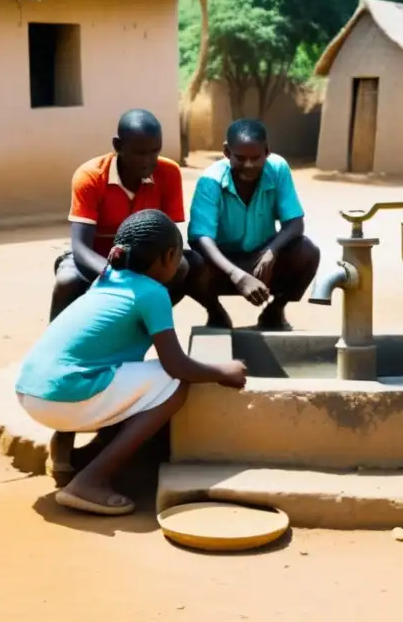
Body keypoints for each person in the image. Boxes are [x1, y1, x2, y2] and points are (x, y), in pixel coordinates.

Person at [16, 210, 248, 516]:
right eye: (179, 256)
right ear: (169, 256)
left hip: (30, 392)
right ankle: (91, 481)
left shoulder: (105, 280)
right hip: (64, 398)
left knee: (111, 369)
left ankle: (65, 455)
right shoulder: (153, 293)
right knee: (172, 383)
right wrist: (223, 371)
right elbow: (177, 366)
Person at [50, 109, 198, 321]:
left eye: (155, 151)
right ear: (118, 146)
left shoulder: (168, 173)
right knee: (67, 281)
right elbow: (81, 248)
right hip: (96, 258)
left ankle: (141, 325)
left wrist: (146, 272)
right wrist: (118, 277)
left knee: (187, 265)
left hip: (143, 259)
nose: (148, 160)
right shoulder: (91, 176)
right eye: (139, 153)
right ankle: (53, 344)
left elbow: (171, 238)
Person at [187, 119, 321, 331]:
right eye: (240, 158)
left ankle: (275, 311)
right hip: (221, 261)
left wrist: (271, 251)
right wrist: (235, 274)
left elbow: (295, 223)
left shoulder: (277, 169)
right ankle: (215, 312)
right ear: (226, 152)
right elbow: (201, 237)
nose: (248, 165)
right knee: (190, 262)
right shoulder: (210, 180)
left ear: (266, 151)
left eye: (255, 158)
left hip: (263, 258)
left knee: (308, 251)